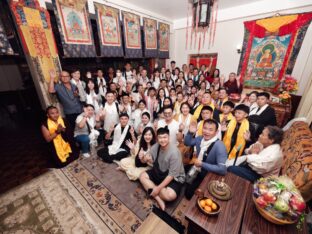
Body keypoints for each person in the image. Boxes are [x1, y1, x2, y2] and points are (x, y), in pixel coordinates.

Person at [139, 126, 185, 210]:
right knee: (142, 176)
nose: (162, 140)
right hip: (159, 172)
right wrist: (142, 158)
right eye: (160, 137)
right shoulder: (155, 147)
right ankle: (158, 198)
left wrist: (158, 188)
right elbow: (145, 160)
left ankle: (153, 189)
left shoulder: (174, 152)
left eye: (165, 137)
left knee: (171, 195)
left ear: (169, 137)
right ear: (157, 138)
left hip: (174, 177)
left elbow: (171, 175)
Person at [184, 119, 227, 199]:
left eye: (210, 130)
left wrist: (202, 164)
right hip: (196, 167)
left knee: (188, 194)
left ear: (216, 132)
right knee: (181, 175)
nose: (206, 132)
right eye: (205, 128)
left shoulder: (220, 146)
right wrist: (190, 133)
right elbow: (187, 143)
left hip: (208, 173)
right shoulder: (200, 138)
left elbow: (223, 170)